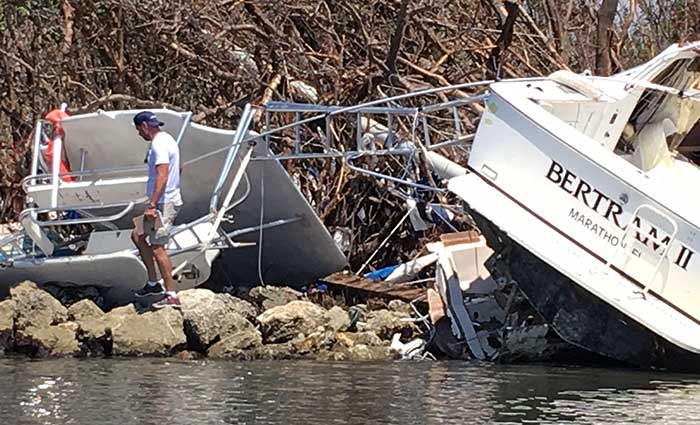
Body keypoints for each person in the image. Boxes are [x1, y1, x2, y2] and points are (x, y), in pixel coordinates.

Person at [130, 111, 183, 308]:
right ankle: (153, 283)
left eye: (138, 130)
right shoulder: (168, 139)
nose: (139, 134)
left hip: (163, 203)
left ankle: (171, 295)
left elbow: (162, 174)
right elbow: (178, 168)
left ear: (144, 126)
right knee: (137, 235)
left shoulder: (158, 144)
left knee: (158, 247)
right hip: (164, 199)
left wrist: (152, 204)